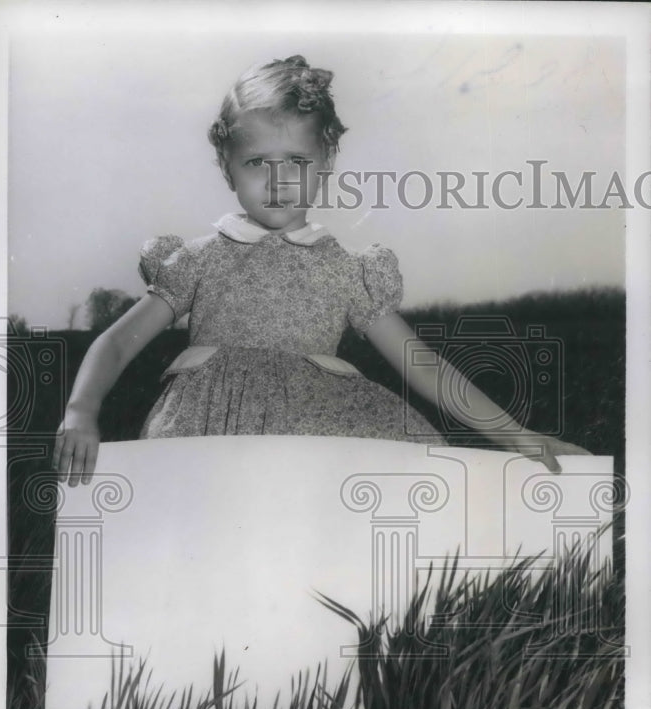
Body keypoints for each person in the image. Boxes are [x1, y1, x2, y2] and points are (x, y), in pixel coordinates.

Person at [53, 54, 588, 485]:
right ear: (227, 168)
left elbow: (420, 363)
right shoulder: (199, 260)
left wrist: (517, 435)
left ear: (326, 162)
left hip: (327, 425)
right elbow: (118, 342)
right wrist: (81, 410)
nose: (279, 181)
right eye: (258, 162)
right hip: (208, 423)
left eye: (297, 162)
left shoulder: (346, 271)